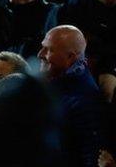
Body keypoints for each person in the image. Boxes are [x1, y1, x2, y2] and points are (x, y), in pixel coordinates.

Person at [38, 25, 105, 167]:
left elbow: (90, 155)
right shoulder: (53, 82)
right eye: (42, 47)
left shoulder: (84, 100)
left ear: (70, 57)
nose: (40, 54)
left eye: (48, 49)